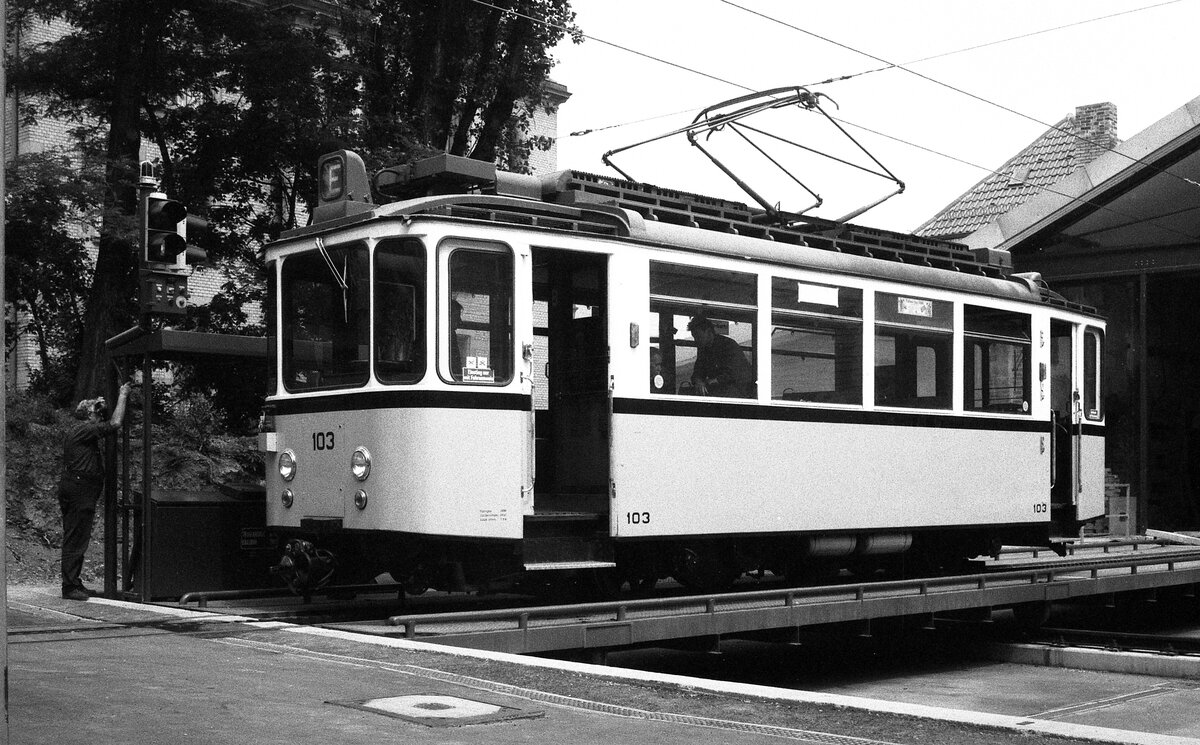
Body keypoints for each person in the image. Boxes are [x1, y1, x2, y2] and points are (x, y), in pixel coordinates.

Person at [58, 382, 131, 600]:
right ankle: (69, 586)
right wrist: (122, 395)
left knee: (78, 537)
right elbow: (115, 423)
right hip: (79, 490)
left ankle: (74, 582)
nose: (99, 415)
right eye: (95, 412)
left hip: (80, 489)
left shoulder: (82, 431)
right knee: (76, 538)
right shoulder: (84, 429)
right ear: (88, 415)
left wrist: (101, 405)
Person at [688, 315, 755, 398]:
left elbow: (734, 373)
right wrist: (698, 381)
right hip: (721, 390)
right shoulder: (704, 350)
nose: (696, 340)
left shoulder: (728, 345)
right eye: (694, 337)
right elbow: (698, 371)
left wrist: (713, 381)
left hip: (740, 391)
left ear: (709, 332)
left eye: (698, 336)